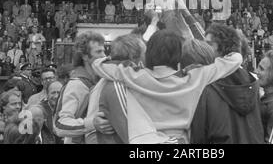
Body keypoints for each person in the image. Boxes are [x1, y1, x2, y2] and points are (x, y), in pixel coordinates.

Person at [91, 29, 243, 143]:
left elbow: (98, 64)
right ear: (179, 56)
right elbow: (236, 59)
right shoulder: (195, 77)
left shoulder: (134, 75)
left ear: (148, 54)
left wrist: (123, 61)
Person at [189, 24, 264, 144]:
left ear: (224, 47)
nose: (204, 48)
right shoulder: (252, 82)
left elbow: (198, 137)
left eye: (209, 44)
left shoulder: (208, 83)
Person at [54, 32, 108, 144]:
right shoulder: (76, 85)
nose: (104, 56)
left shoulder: (101, 81)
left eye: (104, 51)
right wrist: (92, 123)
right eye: (98, 51)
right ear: (84, 56)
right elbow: (59, 125)